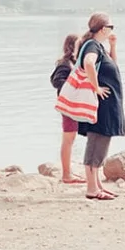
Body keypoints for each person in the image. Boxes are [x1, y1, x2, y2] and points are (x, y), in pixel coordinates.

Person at [75, 12, 124, 200]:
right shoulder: (92, 46)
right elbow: (88, 63)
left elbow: (113, 66)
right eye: (111, 27)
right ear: (103, 28)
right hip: (100, 106)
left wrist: (112, 46)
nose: (112, 30)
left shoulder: (99, 46)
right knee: (96, 143)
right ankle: (91, 188)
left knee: (101, 143)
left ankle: (97, 185)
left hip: (106, 105)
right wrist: (96, 87)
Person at [49, 34, 85, 184]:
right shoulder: (65, 63)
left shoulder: (74, 63)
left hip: (73, 105)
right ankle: (66, 174)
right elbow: (56, 80)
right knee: (68, 138)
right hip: (69, 105)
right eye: (80, 44)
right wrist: (74, 87)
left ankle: (68, 171)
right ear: (72, 46)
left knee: (71, 137)